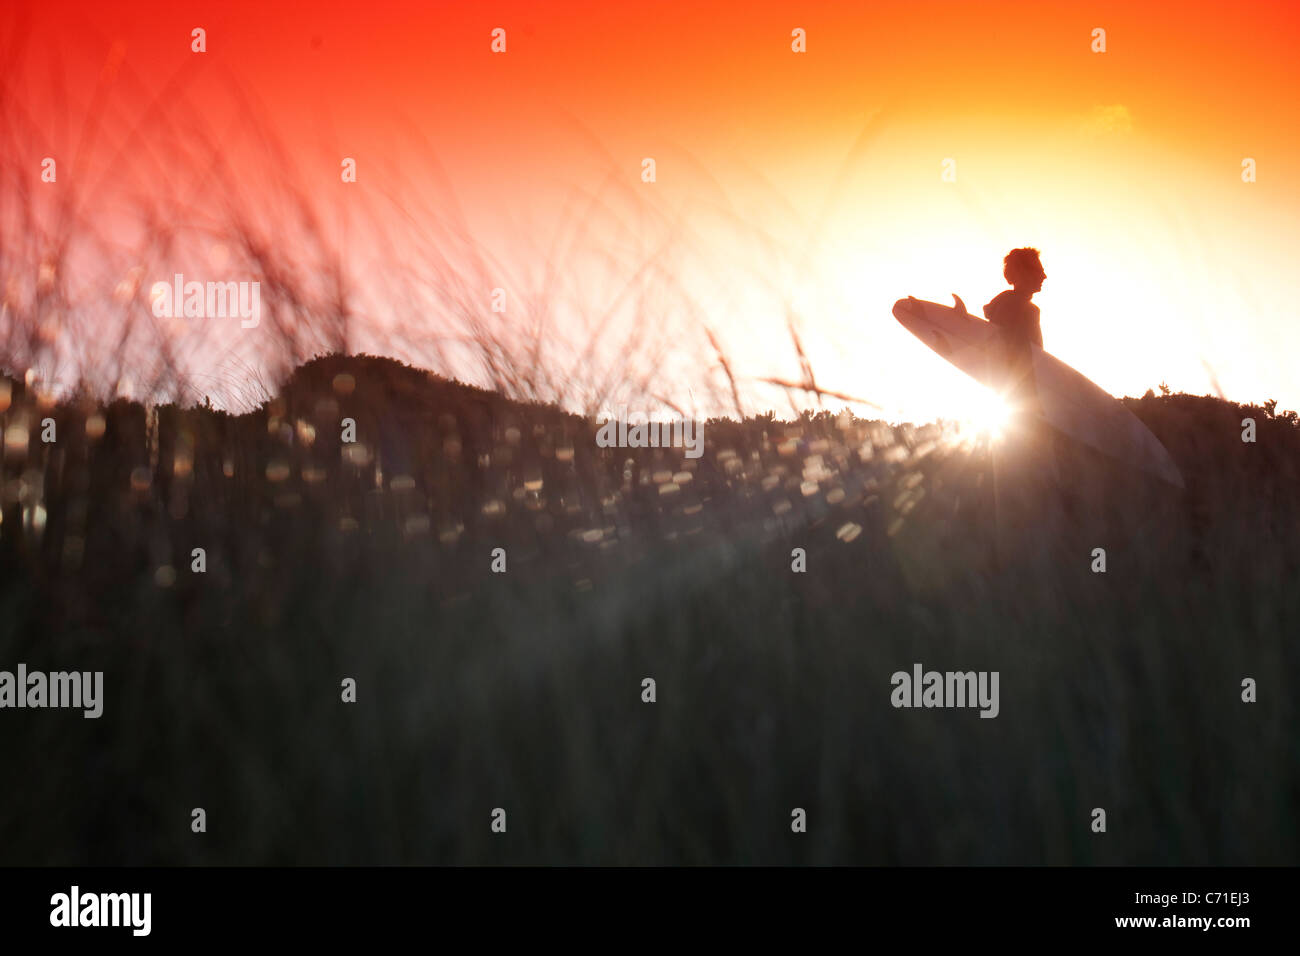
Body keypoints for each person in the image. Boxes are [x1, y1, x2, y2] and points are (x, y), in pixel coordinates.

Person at [983, 248, 1046, 415]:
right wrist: (1034, 402)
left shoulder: (1022, 306)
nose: (1043, 276)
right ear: (1020, 272)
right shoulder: (1014, 306)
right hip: (1022, 403)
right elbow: (1008, 353)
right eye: (1038, 271)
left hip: (1021, 400)